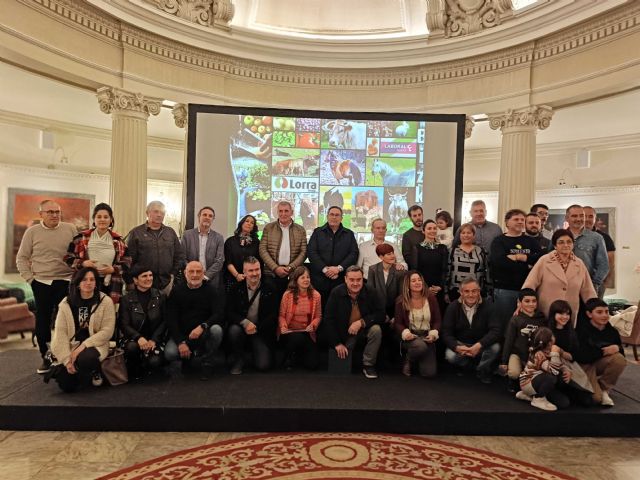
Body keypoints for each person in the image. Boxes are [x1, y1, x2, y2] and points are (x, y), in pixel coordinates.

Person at [16, 199, 77, 373]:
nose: (54, 215)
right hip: (41, 282)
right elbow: (21, 258)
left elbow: (79, 253)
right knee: (42, 321)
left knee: (66, 320)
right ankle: (46, 356)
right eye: (50, 212)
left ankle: (67, 355)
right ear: (41, 214)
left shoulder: (70, 229)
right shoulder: (32, 232)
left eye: (57, 212)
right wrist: (30, 279)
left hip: (65, 281)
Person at [49, 267, 116, 392]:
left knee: (86, 358)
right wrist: (67, 360)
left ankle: (96, 370)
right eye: (84, 279)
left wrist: (83, 346)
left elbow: (107, 331)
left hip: (95, 345)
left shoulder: (105, 301)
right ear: (78, 283)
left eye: (92, 279)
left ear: (96, 283)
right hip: (72, 346)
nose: (88, 282)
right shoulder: (66, 304)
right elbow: (60, 334)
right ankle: (82, 374)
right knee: (66, 385)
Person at [522, 229, 596, 327]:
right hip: (546, 312)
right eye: (561, 242)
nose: (565, 245)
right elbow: (529, 285)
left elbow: (588, 291)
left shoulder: (579, 264)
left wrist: (596, 309)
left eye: (569, 242)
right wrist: (524, 305)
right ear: (555, 245)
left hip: (568, 314)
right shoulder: (544, 261)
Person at [165, 261, 224, 380]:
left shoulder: (211, 290)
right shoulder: (176, 291)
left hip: (204, 333)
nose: (195, 274)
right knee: (170, 353)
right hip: (183, 334)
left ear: (203, 274)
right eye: (191, 271)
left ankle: (207, 363)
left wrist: (203, 326)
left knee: (217, 330)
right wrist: (181, 342)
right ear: (185, 273)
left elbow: (218, 314)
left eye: (198, 271)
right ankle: (187, 358)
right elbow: (171, 319)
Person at [323, 266, 385, 379]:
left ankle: (368, 365)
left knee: (376, 330)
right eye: (352, 280)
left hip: (363, 330)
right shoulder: (336, 292)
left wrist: (361, 322)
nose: (355, 283)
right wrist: (337, 343)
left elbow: (381, 314)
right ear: (345, 279)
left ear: (363, 279)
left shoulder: (371, 291)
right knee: (341, 370)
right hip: (343, 333)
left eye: (359, 280)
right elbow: (328, 319)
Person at [65, 202, 130, 304]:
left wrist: (113, 269)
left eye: (106, 217)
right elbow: (68, 258)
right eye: (99, 217)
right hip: (86, 282)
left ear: (111, 220)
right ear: (94, 219)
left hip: (110, 284)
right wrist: (83, 263)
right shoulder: (80, 238)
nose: (102, 219)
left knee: (107, 313)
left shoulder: (119, 241)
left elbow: (127, 262)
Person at [442, 277, 501, 384]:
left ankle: (482, 369)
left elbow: (496, 331)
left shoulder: (489, 306)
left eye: (474, 291)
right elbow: (446, 333)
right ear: (460, 292)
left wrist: (479, 345)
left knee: (495, 348)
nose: (471, 294)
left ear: (479, 292)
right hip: (461, 344)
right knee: (450, 355)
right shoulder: (453, 307)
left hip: (481, 345)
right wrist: (457, 347)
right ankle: (468, 365)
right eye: (467, 291)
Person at [490, 209, 541, 332]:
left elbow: (539, 260)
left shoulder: (531, 241)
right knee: (505, 325)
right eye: (516, 219)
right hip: (505, 290)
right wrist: (527, 265)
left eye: (522, 220)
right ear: (507, 222)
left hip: (527, 290)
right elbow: (499, 263)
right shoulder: (499, 241)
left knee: (525, 326)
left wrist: (520, 257)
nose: (520, 222)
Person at [226, 256, 279, 374]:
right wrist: (245, 323)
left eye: (257, 269)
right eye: (250, 270)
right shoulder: (235, 288)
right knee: (234, 330)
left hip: (261, 330)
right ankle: (239, 358)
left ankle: (254, 353)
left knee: (263, 365)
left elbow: (273, 314)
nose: (255, 273)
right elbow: (229, 312)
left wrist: (256, 327)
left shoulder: (270, 286)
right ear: (244, 272)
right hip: (241, 327)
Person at [575, 298, 627, 406]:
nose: (604, 315)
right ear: (589, 314)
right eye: (599, 312)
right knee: (595, 399)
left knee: (619, 359)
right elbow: (581, 356)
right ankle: (591, 389)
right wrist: (604, 352)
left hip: (599, 363)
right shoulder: (581, 330)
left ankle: (604, 389)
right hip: (584, 366)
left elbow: (622, 355)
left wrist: (618, 348)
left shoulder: (612, 331)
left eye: (606, 312)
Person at [118, 265, 166, 380]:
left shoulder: (161, 296)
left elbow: (165, 321)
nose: (149, 278)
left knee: (154, 362)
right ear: (135, 280)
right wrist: (138, 337)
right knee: (131, 348)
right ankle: (134, 364)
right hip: (134, 339)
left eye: (150, 275)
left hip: (154, 339)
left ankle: (149, 361)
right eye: (144, 276)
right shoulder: (126, 299)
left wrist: (154, 340)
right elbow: (124, 324)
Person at [127, 200, 184, 295]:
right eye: (156, 211)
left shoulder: (170, 233)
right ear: (147, 213)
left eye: (162, 212)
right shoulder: (136, 232)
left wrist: (172, 274)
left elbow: (179, 255)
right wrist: (131, 280)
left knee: (166, 309)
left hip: (167, 283)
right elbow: (128, 259)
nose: (159, 215)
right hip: (143, 283)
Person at [307, 206, 358, 307]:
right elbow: (311, 252)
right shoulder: (317, 232)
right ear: (327, 216)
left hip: (340, 280)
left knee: (339, 311)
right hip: (319, 281)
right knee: (319, 310)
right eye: (332, 214)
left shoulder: (349, 234)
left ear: (341, 218)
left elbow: (353, 253)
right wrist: (325, 270)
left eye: (337, 215)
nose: (334, 217)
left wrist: (338, 269)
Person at [394, 271, 441, 377]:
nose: (417, 282)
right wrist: (406, 333)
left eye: (419, 280)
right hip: (411, 337)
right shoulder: (401, 300)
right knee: (420, 346)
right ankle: (408, 359)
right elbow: (398, 323)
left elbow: (437, 320)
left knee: (429, 373)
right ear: (407, 284)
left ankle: (417, 358)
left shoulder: (431, 298)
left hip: (426, 336)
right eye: (413, 281)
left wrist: (433, 334)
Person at [499, 289, 547, 391]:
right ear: (520, 303)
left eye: (534, 301)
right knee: (514, 373)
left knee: (538, 376)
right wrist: (504, 361)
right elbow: (509, 341)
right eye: (527, 301)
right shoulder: (515, 319)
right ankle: (513, 381)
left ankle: (526, 382)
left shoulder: (542, 319)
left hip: (534, 355)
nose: (531, 304)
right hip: (517, 353)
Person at [259, 200, 308, 297]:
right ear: (277, 212)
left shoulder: (300, 230)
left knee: (290, 305)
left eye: (286, 211)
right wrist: (275, 268)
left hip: (293, 275)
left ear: (292, 212)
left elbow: (304, 252)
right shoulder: (268, 228)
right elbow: (262, 249)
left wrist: (290, 268)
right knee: (272, 306)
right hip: (271, 274)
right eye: (280, 211)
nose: (283, 214)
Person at [278, 266, 322, 370]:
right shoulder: (287, 295)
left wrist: (313, 325)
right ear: (296, 280)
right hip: (290, 332)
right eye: (302, 277)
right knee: (296, 338)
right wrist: (283, 326)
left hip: (307, 333)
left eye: (308, 277)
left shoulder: (316, 295)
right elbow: (281, 315)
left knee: (312, 365)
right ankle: (289, 356)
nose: (306, 280)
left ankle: (299, 355)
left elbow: (318, 316)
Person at [518, 327, 571, 411]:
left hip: (541, 383)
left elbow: (568, 358)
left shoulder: (551, 349)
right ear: (549, 342)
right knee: (551, 377)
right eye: (551, 336)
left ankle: (529, 395)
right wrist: (554, 353)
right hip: (528, 383)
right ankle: (538, 399)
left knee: (564, 403)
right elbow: (554, 371)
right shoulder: (538, 354)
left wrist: (565, 369)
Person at [565, 204, 609, 297]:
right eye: (574, 216)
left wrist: (594, 284)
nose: (578, 219)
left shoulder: (597, 238)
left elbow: (604, 265)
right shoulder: (558, 236)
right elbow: (550, 259)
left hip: (587, 287)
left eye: (581, 216)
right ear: (567, 218)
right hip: (563, 286)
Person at [181, 206, 225, 289]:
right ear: (199, 217)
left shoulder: (219, 237)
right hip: (190, 279)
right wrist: (192, 273)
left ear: (213, 219)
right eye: (204, 215)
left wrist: (206, 276)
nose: (207, 218)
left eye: (210, 216)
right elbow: (182, 257)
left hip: (210, 280)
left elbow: (219, 260)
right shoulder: (187, 235)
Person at [446, 223, 488, 302]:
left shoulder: (481, 251)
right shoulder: (452, 251)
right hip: (456, 290)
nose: (466, 235)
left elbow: (487, 272)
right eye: (463, 233)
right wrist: (445, 292)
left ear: (474, 235)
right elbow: (447, 272)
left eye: (469, 233)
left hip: (475, 291)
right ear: (460, 235)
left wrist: (488, 291)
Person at [415, 219, 448, 316]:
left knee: (438, 317)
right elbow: (415, 270)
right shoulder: (417, 248)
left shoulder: (443, 248)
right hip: (422, 289)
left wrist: (440, 287)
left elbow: (445, 269)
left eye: (434, 228)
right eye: (429, 228)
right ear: (423, 231)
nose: (432, 230)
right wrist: (425, 288)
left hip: (439, 290)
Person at [584, 206, 616, 298]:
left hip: (597, 282)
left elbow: (610, 262)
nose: (587, 219)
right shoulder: (572, 236)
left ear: (595, 218)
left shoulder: (605, 238)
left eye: (590, 216)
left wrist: (604, 283)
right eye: (585, 216)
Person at [367, 243, 406, 320]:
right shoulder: (373, 269)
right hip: (377, 309)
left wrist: (396, 315)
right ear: (381, 257)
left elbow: (401, 295)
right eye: (388, 254)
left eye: (392, 253)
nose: (392, 256)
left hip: (394, 309)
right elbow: (370, 292)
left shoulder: (400, 271)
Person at [224, 214, 261, 291]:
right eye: (247, 221)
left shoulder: (257, 243)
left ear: (253, 227)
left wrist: (250, 275)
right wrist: (237, 275)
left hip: (251, 279)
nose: (249, 224)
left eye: (252, 223)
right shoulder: (230, 241)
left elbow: (259, 262)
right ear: (241, 223)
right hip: (233, 278)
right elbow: (228, 261)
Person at [401, 205, 424, 270]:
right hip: (416, 272)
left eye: (419, 214)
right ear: (410, 218)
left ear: (422, 215)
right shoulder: (407, 235)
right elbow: (407, 256)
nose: (418, 218)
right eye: (414, 216)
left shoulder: (430, 231)